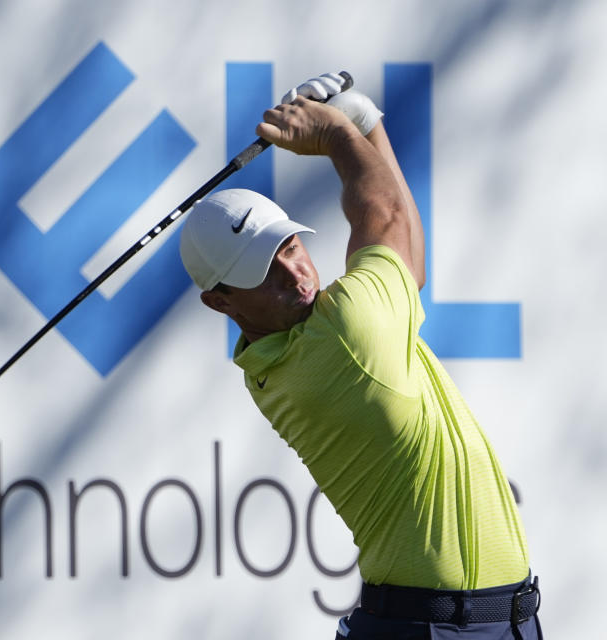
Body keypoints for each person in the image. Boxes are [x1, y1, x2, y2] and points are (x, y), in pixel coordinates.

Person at [179, 74, 542, 639]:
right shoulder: (343, 336)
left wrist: (364, 124)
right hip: (432, 627)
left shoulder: (286, 349)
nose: (294, 274)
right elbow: (385, 215)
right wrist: (336, 134)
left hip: (475, 621)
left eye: (290, 246)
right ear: (219, 300)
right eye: (262, 271)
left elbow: (406, 263)